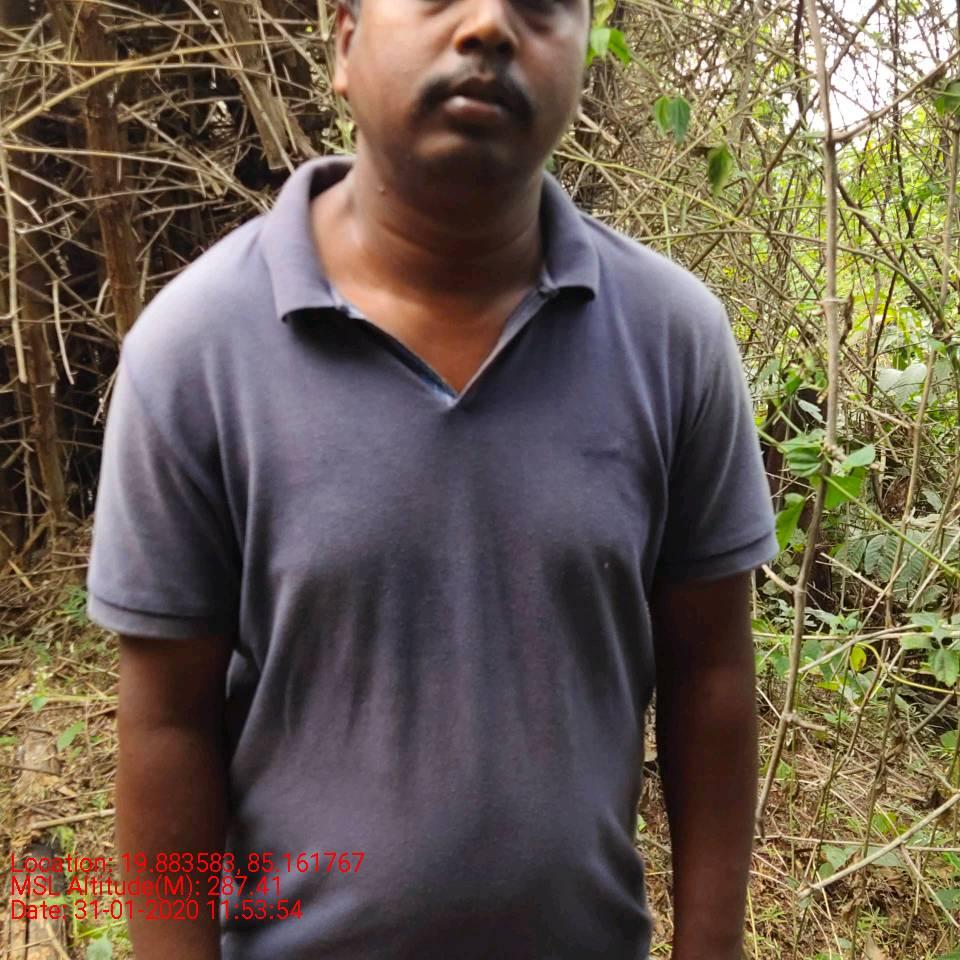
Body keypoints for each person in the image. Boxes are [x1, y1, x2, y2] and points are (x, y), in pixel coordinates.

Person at [86, 1, 778, 958]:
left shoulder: (671, 341)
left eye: (541, 4)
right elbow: (168, 725)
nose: (490, 25)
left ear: (583, 54)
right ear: (344, 40)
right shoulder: (196, 351)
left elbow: (711, 675)